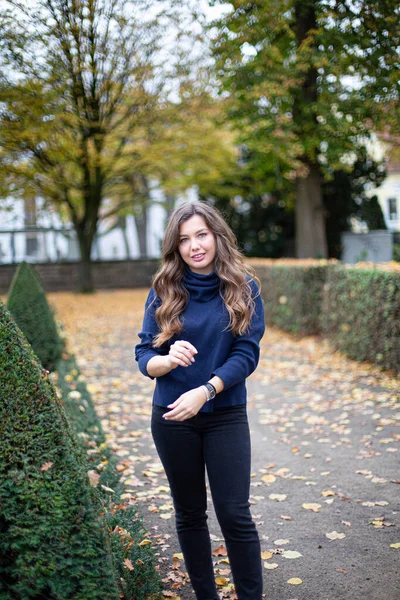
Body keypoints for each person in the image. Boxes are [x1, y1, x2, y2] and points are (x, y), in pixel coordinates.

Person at [135, 201, 265, 600]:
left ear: (217, 236)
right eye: (184, 239)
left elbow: (246, 354)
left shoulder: (244, 287)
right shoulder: (164, 290)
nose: (194, 246)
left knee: (234, 513)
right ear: (175, 247)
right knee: (190, 514)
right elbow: (143, 355)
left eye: (201, 235)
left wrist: (206, 389)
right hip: (172, 417)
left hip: (225, 413)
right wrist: (165, 359)